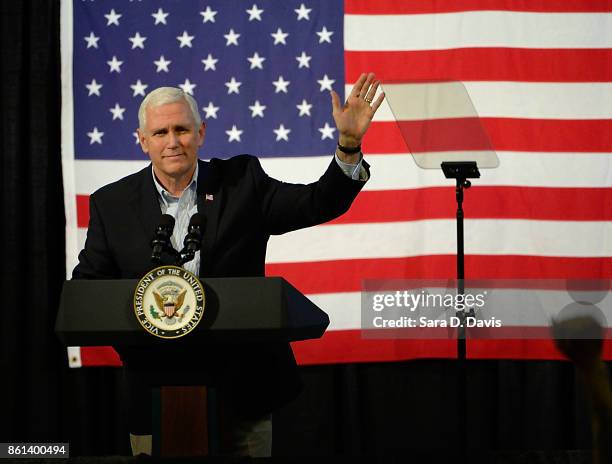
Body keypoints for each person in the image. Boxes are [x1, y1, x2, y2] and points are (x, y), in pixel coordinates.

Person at [72, 73, 385, 456]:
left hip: (243, 387)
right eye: (160, 133)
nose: (172, 142)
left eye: (182, 129)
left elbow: (318, 202)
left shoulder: (242, 182)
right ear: (142, 140)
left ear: (201, 133)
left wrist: (349, 146)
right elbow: (89, 295)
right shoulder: (112, 203)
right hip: (152, 387)